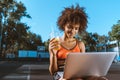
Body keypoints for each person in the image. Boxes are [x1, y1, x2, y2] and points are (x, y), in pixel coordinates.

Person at [49, 4, 108, 80]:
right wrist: (53, 54)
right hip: (60, 74)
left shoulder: (80, 44)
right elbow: (53, 72)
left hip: (78, 73)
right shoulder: (55, 43)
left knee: (102, 79)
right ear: (63, 25)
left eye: (76, 28)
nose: (73, 31)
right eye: (70, 27)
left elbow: (83, 67)